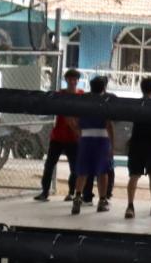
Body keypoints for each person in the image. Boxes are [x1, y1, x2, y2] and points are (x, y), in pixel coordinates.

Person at [34, 66, 83, 202]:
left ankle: (71, 192)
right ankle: (45, 192)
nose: (72, 81)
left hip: (73, 138)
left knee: (74, 167)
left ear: (78, 81)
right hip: (58, 136)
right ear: (66, 80)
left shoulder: (82, 96)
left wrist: (77, 130)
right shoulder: (60, 95)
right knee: (49, 164)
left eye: (75, 79)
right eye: (70, 79)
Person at [70, 74, 115, 215]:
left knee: (82, 171)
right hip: (101, 138)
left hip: (86, 137)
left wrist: (78, 131)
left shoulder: (83, 99)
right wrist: (112, 144)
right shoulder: (106, 101)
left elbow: (73, 118)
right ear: (104, 87)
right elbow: (109, 124)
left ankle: (77, 198)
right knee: (102, 172)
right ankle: (102, 200)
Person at [125, 76, 151, 218]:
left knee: (134, 176)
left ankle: (130, 206)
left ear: (141, 88)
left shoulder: (136, 105)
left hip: (137, 144)